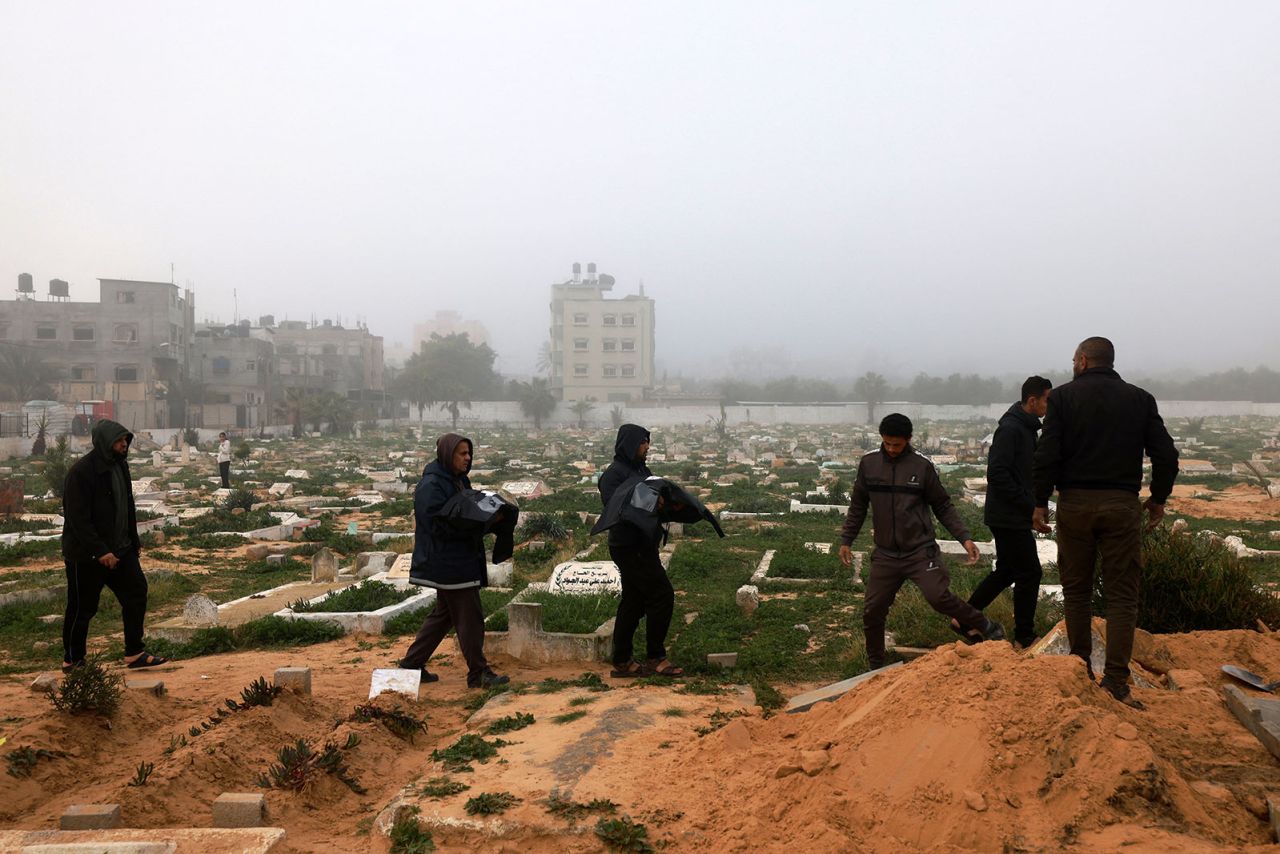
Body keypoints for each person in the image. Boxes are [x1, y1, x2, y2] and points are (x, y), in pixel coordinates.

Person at [1033, 337, 1178, 709]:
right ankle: (1116, 681)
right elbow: (1166, 454)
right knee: (1122, 596)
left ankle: (1080, 672)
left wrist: (1037, 502)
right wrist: (1158, 498)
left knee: (1077, 591)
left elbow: (1047, 454)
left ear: (1082, 361)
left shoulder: (1062, 398)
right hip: (1122, 505)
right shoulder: (1140, 399)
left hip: (1075, 505)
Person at [839, 413, 1004, 671]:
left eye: (898, 444)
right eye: (888, 444)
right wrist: (846, 538)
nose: (892, 450)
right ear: (881, 439)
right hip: (886, 554)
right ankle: (875, 666)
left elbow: (943, 505)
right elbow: (858, 505)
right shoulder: (869, 464)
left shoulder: (921, 467)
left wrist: (964, 537)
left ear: (909, 440)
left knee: (938, 597)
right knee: (873, 610)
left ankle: (987, 627)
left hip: (919, 551)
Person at [399, 433, 509, 689]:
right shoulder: (432, 487)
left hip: (460, 559)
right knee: (470, 617)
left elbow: (467, 511)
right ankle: (478, 673)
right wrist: (478, 525)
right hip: (449, 563)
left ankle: (412, 664)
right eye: (462, 454)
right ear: (448, 455)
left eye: (469, 453)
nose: (467, 459)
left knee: (444, 616)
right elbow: (439, 525)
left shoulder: (458, 481)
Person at [61, 419, 168, 671]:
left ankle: (134, 652)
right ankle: (73, 660)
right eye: (119, 441)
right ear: (105, 443)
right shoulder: (81, 472)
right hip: (87, 555)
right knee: (82, 608)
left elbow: (126, 506)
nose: (124, 445)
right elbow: (78, 519)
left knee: (136, 592)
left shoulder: (120, 466)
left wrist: (133, 540)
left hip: (121, 550)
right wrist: (100, 551)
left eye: (125, 441)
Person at [964, 376, 1053, 649]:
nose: (1049, 406)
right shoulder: (1011, 429)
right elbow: (998, 474)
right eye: (1047, 400)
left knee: (1007, 570)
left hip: (1013, 513)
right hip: (1006, 515)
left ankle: (963, 618)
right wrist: (1029, 508)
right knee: (1029, 573)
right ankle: (1024, 636)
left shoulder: (1026, 429)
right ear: (1032, 400)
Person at [599, 423, 682, 678]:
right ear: (629, 444)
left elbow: (652, 495)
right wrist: (650, 501)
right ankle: (656, 657)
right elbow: (619, 507)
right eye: (642, 442)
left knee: (634, 602)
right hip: (629, 546)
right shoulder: (614, 474)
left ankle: (623, 660)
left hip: (643, 545)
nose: (647, 447)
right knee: (662, 595)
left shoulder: (640, 469)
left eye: (647, 442)